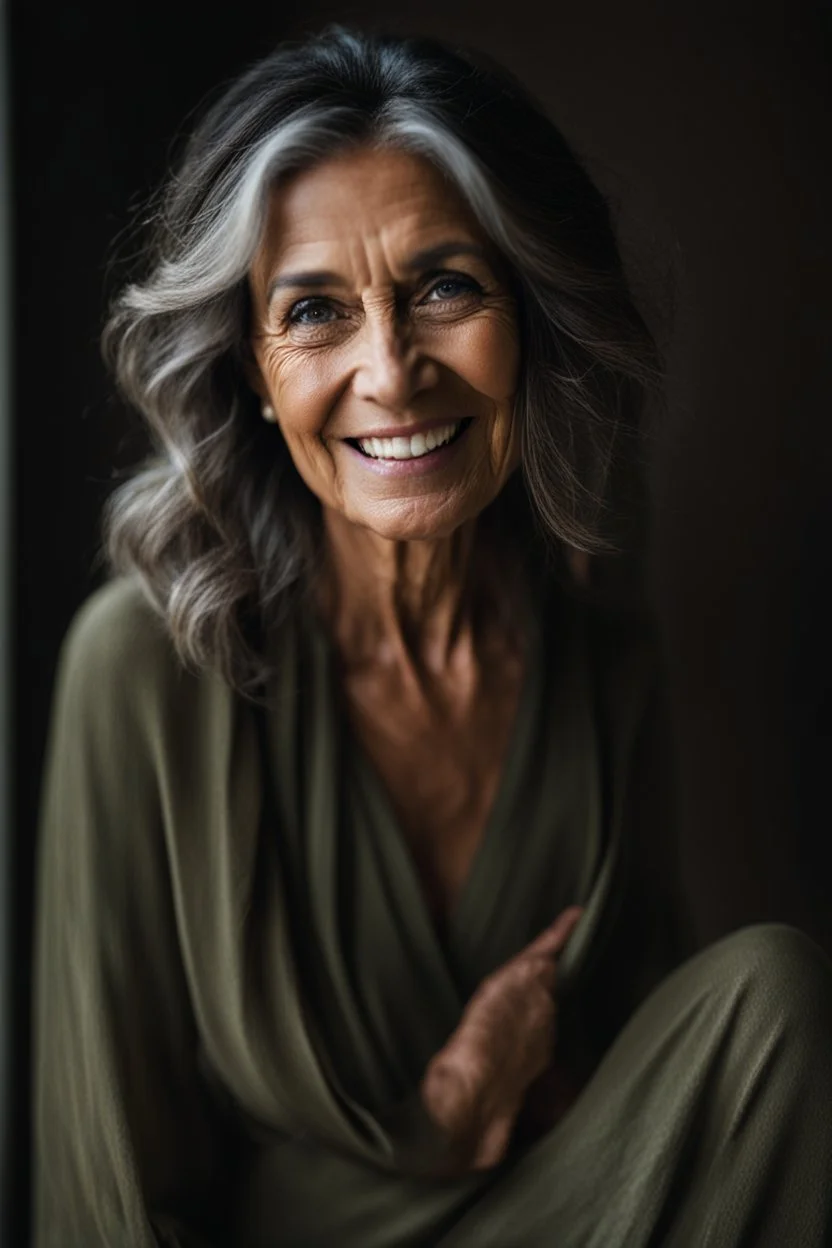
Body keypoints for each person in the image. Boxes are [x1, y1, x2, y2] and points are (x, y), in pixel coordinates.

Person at [31, 25, 832, 1248]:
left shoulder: (593, 626)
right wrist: (440, 1115)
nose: (392, 375)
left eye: (443, 287)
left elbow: (646, 1092)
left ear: (529, 315)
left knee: (778, 1001)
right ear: (254, 367)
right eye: (315, 311)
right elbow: (108, 1198)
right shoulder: (143, 668)